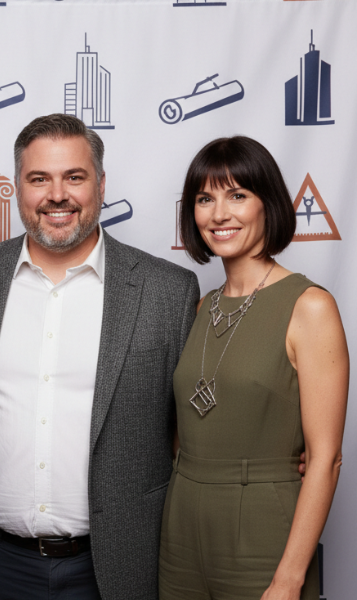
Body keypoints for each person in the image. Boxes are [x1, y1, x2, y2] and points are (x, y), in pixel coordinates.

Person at [0, 113, 200, 600]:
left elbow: (193, 427)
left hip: (117, 565)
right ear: (17, 188)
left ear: (101, 185)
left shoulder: (167, 291)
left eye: (74, 177)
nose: (57, 195)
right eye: (39, 178)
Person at [159, 136, 348, 600]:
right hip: (181, 530)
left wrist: (288, 578)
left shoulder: (309, 306)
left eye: (237, 195)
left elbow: (325, 458)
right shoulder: (201, 306)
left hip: (263, 530)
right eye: (205, 199)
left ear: (269, 205)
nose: (219, 214)